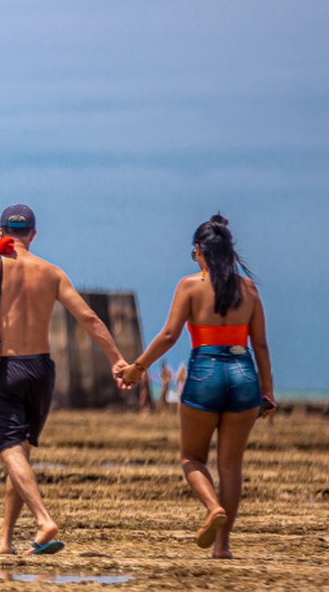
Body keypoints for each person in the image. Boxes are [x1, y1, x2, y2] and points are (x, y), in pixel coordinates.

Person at [0, 204, 129, 556]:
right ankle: (4, 539)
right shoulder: (52, 273)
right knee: (20, 452)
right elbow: (88, 317)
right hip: (41, 369)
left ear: (0, 232)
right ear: (33, 235)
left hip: (4, 369)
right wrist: (117, 360)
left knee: (10, 449)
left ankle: (43, 520)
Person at [117, 214, 276, 559]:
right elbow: (260, 345)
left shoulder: (189, 286)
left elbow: (171, 335)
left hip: (205, 370)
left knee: (191, 458)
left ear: (200, 252)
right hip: (244, 371)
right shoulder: (248, 289)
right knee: (231, 466)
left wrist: (137, 368)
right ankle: (223, 546)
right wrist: (268, 391)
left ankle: (212, 508)